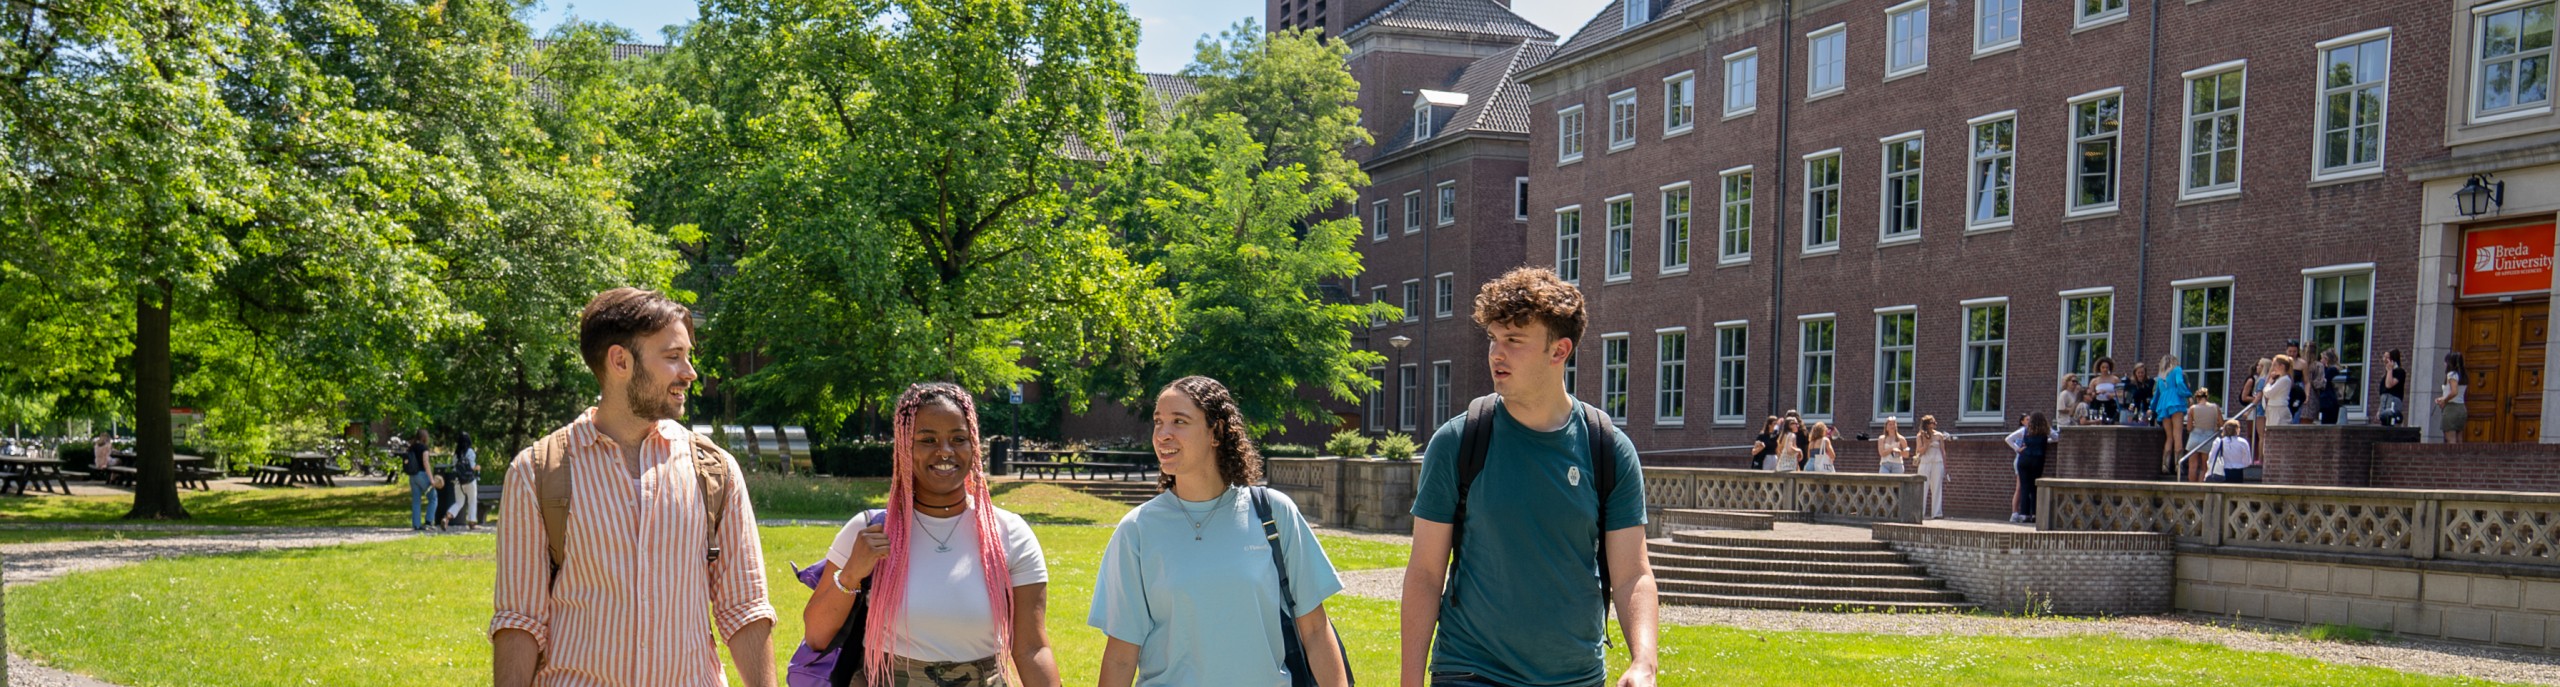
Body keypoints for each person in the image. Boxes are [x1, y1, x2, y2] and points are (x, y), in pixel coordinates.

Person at [490, 287, 776, 687]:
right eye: (673, 357)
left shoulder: (714, 470)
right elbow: (519, 621)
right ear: (620, 360)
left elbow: (745, 608)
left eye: (687, 356)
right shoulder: (537, 472)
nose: (690, 372)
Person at [1401, 267, 1658, 687]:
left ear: (1559, 351)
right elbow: (1426, 574)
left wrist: (1644, 661)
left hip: (1574, 676)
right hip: (1471, 670)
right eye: (1493, 338)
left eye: (1514, 341)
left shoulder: (1607, 449)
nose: (1495, 354)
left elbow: (1632, 573)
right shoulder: (1458, 441)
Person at [1093, 376, 1346, 687]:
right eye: (1158, 422)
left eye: (1179, 421)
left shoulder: (1273, 513)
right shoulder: (1137, 530)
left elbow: (1316, 631)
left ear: (1217, 431)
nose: (1163, 434)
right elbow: (1121, 653)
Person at [808, 383, 1056, 687]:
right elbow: (817, 637)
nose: (945, 451)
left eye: (958, 439)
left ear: (974, 445)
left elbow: (1032, 649)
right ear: (904, 446)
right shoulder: (868, 531)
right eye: (928, 439)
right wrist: (851, 575)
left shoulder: (1009, 534)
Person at [2006, 412, 2059, 524]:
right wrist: (2046, 441)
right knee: (2035, 487)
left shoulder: (2025, 430)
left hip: (2024, 460)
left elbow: (2008, 439)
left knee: (2024, 487)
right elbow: (2057, 438)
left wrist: (2017, 449)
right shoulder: (2046, 431)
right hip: (2037, 460)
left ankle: (2024, 514)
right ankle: (2034, 514)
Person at [2153, 355, 2191, 476]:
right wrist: (2188, 394)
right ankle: (2178, 466)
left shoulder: (2160, 377)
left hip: (2163, 405)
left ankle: (2165, 465)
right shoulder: (2177, 370)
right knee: (2177, 435)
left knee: (2169, 437)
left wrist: (2152, 408)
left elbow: (2156, 395)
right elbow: (2180, 383)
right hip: (2175, 402)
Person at [1912, 416, 1953, 519]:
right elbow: (1918, 451)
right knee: (1923, 487)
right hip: (1925, 462)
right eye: (1932, 422)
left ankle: (1937, 513)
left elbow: (1943, 451)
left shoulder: (1939, 435)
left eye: (1935, 422)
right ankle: (1920, 512)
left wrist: (1945, 465)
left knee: (1937, 487)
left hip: (1937, 462)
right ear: (1927, 424)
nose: (1934, 424)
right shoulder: (1920, 436)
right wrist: (1926, 444)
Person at [2181, 390, 2222, 483]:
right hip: (2209, 438)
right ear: (2207, 397)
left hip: (2194, 437)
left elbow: (2189, 427)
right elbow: (2221, 423)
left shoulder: (2192, 408)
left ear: (2197, 398)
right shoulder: (2215, 407)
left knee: (2192, 466)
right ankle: (2201, 488)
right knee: (2204, 466)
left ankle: (2191, 489)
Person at [444, 432, 481, 531]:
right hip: (469, 480)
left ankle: (447, 516)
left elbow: (455, 467)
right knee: (472, 501)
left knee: (459, 502)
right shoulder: (470, 452)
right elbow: (472, 467)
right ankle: (472, 522)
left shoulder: (456, 454)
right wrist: (478, 468)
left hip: (458, 481)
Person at [406, 431, 439, 532]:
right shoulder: (424, 448)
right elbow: (426, 462)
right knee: (433, 497)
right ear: (425, 438)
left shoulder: (411, 447)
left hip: (412, 476)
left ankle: (416, 524)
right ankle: (428, 521)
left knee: (416, 501)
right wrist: (431, 479)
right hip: (422, 474)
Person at [2438, 352, 2470, 443]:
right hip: (2461, 408)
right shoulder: (2463, 375)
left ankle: (2452, 457)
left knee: (2450, 439)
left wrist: (2444, 400)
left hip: (2452, 408)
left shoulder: (2451, 374)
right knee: (2459, 437)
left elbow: (2454, 391)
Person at [2317, 349, 2349, 425]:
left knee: (2326, 423)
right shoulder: (2336, 369)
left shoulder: (2331, 370)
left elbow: (2324, 382)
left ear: (2326, 359)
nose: (2321, 361)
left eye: (2322, 358)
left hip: (2329, 401)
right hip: (2332, 400)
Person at [2377, 350, 2407, 427]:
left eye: (2387, 358)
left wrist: (2390, 370)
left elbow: (2389, 385)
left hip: (2392, 401)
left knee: (2391, 421)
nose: (2385, 360)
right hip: (2384, 401)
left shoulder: (2399, 372)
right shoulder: (2386, 375)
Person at [2088, 358, 2122, 425]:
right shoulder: (2094, 381)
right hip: (2098, 404)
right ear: (2099, 368)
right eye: (2103, 367)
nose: (2105, 369)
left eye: (2107, 367)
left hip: (2111, 404)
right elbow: (2089, 394)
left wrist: (2112, 395)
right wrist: (2096, 393)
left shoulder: (2115, 379)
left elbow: (2121, 393)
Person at [2125, 361, 2156, 426]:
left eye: (2142, 372)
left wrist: (2151, 408)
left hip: (2148, 410)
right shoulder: (2132, 384)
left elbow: (2154, 396)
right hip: (2136, 411)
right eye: (2138, 373)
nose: (2140, 374)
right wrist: (2130, 405)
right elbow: (2129, 399)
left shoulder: (2151, 382)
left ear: (2145, 372)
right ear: (2135, 373)